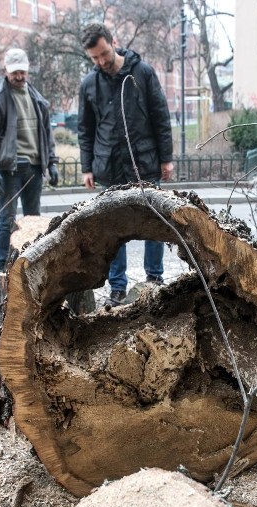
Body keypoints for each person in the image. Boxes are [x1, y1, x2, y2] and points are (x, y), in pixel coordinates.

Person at [77, 23, 174, 307]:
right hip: (109, 167)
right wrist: (87, 167)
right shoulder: (89, 84)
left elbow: (160, 117)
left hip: (144, 163)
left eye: (104, 54)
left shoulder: (142, 73)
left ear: (113, 42)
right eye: (94, 58)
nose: (101, 61)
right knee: (113, 232)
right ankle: (117, 287)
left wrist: (165, 158)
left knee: (153, 225)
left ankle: (154, 281)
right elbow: (86, 129)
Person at [0, 48, 59, 272]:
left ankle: (30, 264)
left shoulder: (37, 99)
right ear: (5, 70)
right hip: (10, 169)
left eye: (22, 72)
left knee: (33, 221)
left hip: (34, 168)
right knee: (7, 219)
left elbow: (46, 133)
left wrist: (51, 163)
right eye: (14, 72)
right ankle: (2, 267)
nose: (19, 76)